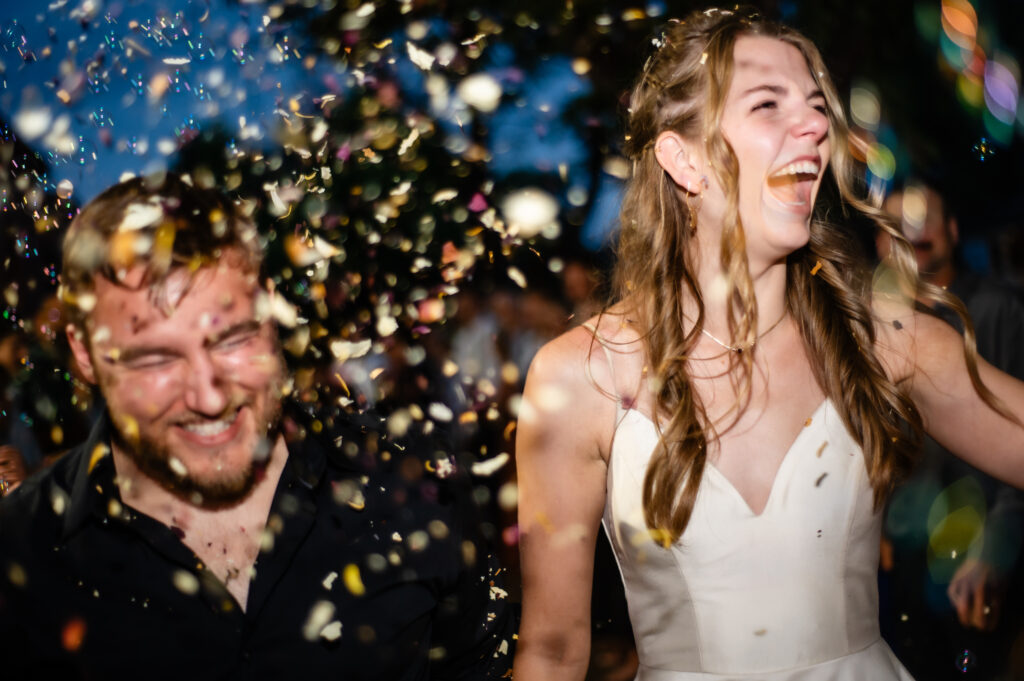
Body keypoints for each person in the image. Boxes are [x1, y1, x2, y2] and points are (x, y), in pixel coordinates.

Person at [513, 7, 1024, 681]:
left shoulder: (883, 341)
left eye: (817, 105)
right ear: (683, 157)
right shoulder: (579, 377)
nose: (816, 126)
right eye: (767, 104)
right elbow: (552, 652)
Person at [0, 173, 515, 680]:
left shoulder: (411, 479)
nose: (208, 396)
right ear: (84, 354)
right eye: (154, 359)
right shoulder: (21, 548)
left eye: (232, 340)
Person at [878, 181, 1024, 679]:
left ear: (953, 231)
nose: (911, 235)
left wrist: (995, 553)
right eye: (896, 226)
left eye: (924, 221)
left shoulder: (995, 310)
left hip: (975, 562)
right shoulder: (880, 328)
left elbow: (1014, 439)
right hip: (906, 566)